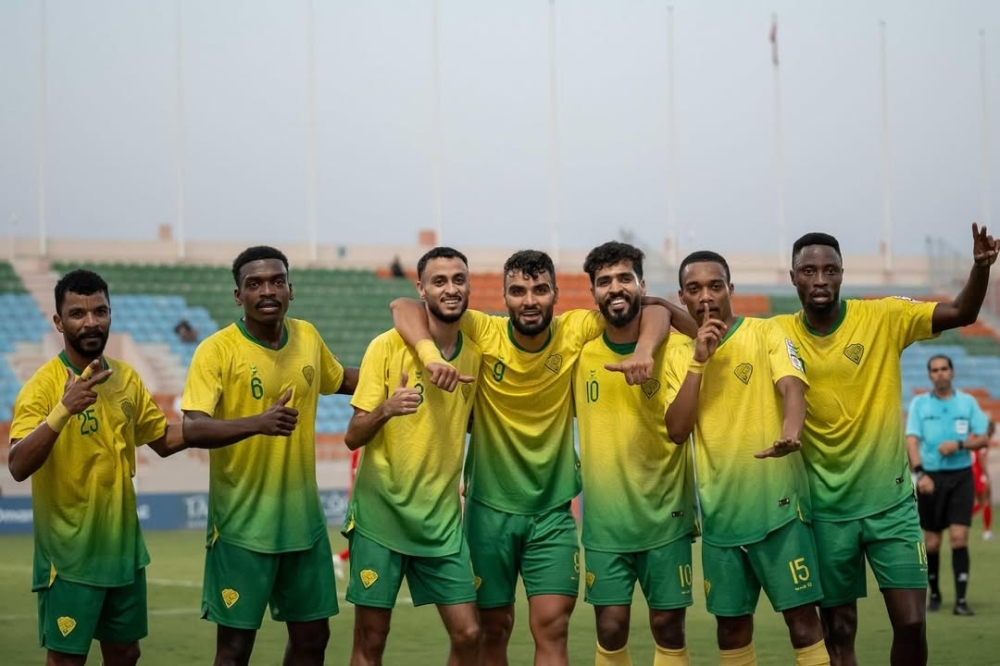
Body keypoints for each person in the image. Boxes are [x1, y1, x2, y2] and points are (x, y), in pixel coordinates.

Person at [390, 249, 691, 666]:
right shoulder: (483, 330)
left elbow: (654, 309)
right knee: (492, 629)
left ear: (555, 295)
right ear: (503, 297)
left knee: (552, 628)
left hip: (551, 514)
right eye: (517, 291)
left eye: (539, 290)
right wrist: (429, 355)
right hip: (488, 511)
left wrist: (643, 349)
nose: (529, 300)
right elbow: (404, 305)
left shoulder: (576, 329)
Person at [773, 223, 1000, 666]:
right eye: (809, 271)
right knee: (839, 630)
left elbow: (962, 313)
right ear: (793, 277)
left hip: (891, 504)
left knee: (913, 623)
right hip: (824, 510)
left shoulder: (882, 317)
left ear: (842, 274)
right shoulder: (775, 333)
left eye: (829, 270)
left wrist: (979, 268)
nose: (820, 280)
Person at [181, 245, 358, 666]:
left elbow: (343, 379)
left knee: (314, 638)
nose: (267, 290)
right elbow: (192, 426)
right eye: (254, 283)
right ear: (238, 295)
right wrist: (257, 423)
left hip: (303, 524)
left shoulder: (308, 337)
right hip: (242, 526)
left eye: (277, 281)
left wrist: (397, 376)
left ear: (290, 290)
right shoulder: (216, 350)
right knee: (235, 648)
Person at [7, 269, 187, 666]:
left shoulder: (126, 379)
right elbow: (18, 465)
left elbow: (164, 439)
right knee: (67, 660)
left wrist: (249, 424)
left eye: (99, 311)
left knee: (125, 653)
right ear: (59, 322)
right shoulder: (43, 386)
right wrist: (63, 410)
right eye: (77, 313)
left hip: (123, 552)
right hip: (70, 557)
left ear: (110, 314)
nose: (91, 322)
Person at [663, 251, 828, 666]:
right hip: (721, 519)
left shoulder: (766, 332)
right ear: (682, 296)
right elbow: (677, 430)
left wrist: (791, 431)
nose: (706, 297)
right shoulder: (678, 356)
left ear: (731, 290)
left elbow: (793, 387)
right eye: (695, 288)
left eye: (715, 286)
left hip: (780, 512)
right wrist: (699, 360)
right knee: (731, 631)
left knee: (803, 622)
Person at [343, 246, 482, 666]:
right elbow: (353, 436)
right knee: (371, 640)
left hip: (440, 524)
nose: (451, 288)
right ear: (421, 288)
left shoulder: (476, 353)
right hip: (380, 519)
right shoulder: (384, 348)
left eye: (458, 279)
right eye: (439, 281)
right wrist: (386, 408)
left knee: (469, 633)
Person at [574, 242, 696, 666]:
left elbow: (710, 336)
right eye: (604, 282)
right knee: (609, 628)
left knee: (668, 625)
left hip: (667, 516)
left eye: (625, 278)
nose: (615, 288)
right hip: (606, 522)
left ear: (641, 285)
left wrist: (652, 332)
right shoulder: (579, 355)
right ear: (593, 295)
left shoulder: (676, 351)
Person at [905, 354, 990, 616]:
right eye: (935, 370)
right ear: (930, 375)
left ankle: (961, 601)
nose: (940, 373)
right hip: (930, 478)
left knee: (958, 538)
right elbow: (911, 441)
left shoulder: (967, 402)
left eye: (944, 369)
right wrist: (921, 474)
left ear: (952, 372)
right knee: (931, 543)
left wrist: (960, 445)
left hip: (961, 477)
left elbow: (984, 437)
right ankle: (935, 594)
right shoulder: (920, 404)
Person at [972, 421, 994, 540]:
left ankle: (960, 519)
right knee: (986, 501)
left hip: (973, 473)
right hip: (979, 474)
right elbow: (981, 457)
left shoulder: (974, 438)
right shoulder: (983, 440)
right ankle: (987, 532)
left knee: (981, 502)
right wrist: (986, 475)